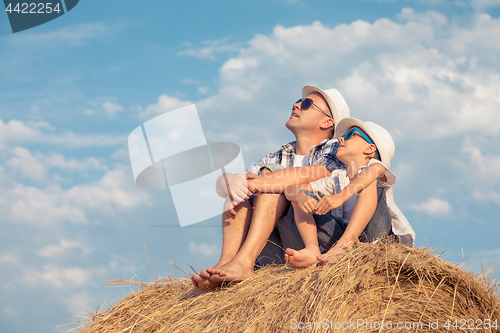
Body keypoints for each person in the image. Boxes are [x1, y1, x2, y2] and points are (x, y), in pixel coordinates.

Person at [191, 85, 350, 290]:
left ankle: (244, 262)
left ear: (327, 122)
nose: (296, 104)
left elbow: (317, 172)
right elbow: (233, 183)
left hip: (321, 237)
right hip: (284, 246)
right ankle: (226, 264)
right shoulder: (280, 153)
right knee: (243, 191)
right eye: (299, 101)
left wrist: (251, 183)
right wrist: (230, 181)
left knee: (271, 181)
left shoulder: (336, 147)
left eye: (307, 104)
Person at [283, 118, 402, 267]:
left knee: (369, 181)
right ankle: (312, 248)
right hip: (338, 241)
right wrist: (299, 196)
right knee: (300, 195)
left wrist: (340, 197)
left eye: (350, 134)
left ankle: (346, 243)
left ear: (370, 149)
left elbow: (375, 171)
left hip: (376, 239)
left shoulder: (373, 168)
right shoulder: (337, 177)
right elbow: (290, 189)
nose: (341, 138)